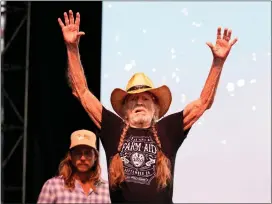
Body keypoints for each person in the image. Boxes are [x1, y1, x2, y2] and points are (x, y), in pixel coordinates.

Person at [57, 10, 238, 203]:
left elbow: (203, 102)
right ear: (125, 111)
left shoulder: (168, 129)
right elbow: (82, 92)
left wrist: (218, 62)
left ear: (155, 107)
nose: (139, 102)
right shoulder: (113, 129)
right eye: (133, 100)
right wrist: (72, 48)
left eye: (145, 99)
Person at [37, 130, 111, 203]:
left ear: (95, 157)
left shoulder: (106, 188)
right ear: (70, 156)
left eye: (88, 153)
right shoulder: (53, 186)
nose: (83, 158)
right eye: (78, 153)